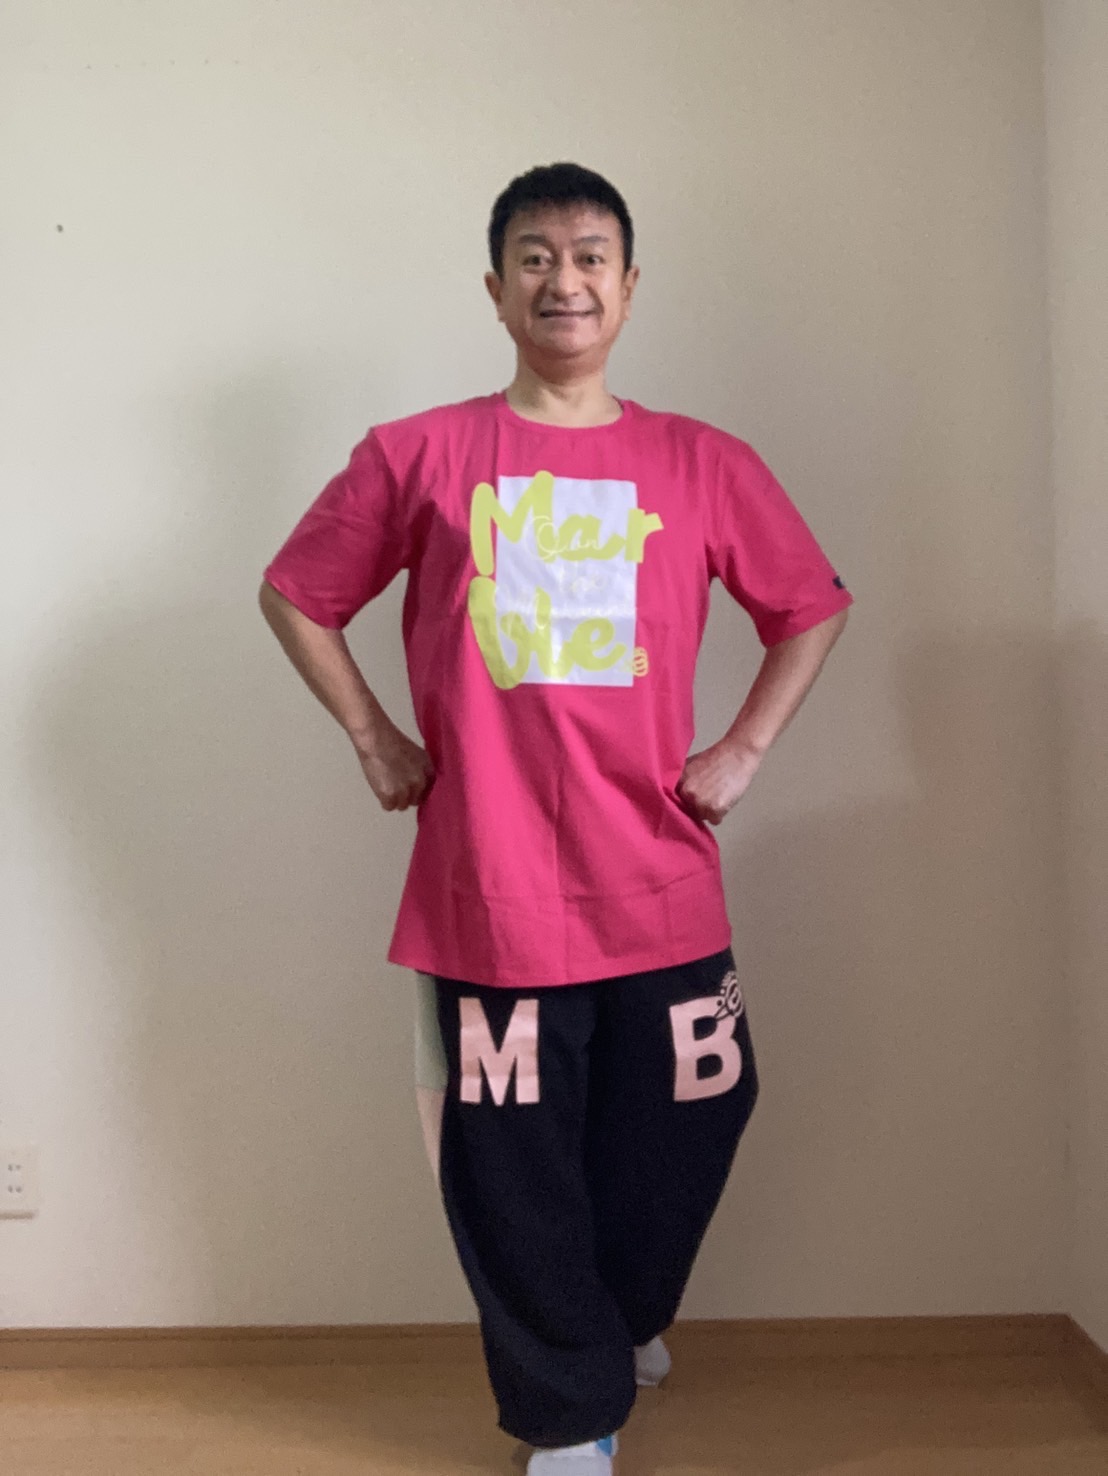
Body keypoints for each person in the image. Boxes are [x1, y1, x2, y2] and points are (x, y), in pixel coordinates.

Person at [259, 162, 851, 1475]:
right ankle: (571, 1414)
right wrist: (375, 736)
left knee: (701, 1105)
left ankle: (613, 1319)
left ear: (629, 288)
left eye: (590, 256)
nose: (564, 280)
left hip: (658, 873)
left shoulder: (701, 460)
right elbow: (297, 592)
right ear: (495, 288)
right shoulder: (418, 453)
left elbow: (810, 606)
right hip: (491, 885)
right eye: (535, 256)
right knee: (512, 1160)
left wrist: (745, 747)